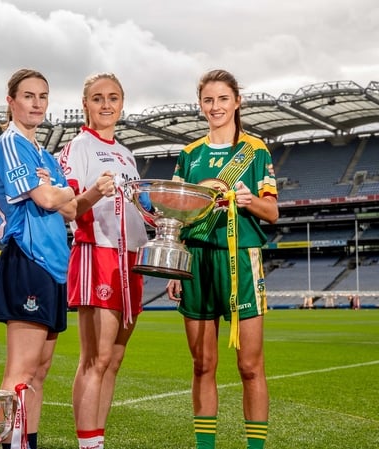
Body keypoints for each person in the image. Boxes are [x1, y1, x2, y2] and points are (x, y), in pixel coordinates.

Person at [166, 69, 279, 449]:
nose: (215, 107)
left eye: (223, 99)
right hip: (196, 260)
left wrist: (250, 201)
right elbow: (177, 213)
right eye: (208, 100)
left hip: (242, 260)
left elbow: (273, 212)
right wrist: (175, 265)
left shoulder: (255, 150)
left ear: (237, 102)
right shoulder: (189, 155)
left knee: (249, 366)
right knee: (203, 365)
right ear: (201, 105)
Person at [56, 72, 148, 449]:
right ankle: (86, 443)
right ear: (85, 105)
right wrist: (95, 192)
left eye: (113, 98)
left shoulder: (127, 155)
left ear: (122, 105)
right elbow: (68, 208)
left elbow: (138, 210)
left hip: (131, 257)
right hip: (97, 252)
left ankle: (98, 439)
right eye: (98, 98)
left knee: (114, 360)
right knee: (96, 357)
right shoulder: (78, 147)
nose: (106, 104)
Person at [0, 68, 77, 449]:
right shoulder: (11, 144)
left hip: (55, 265)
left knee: (39, 372)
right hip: (28, 258)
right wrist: (59, 188)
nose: (37, 103)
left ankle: (28, 443)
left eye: (43, 96)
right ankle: (7, 444)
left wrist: (58, 188)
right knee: (21, 371)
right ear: (11, 102)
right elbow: (47, 200)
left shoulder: (45, 153)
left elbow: (71, 209)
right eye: (28, 96)